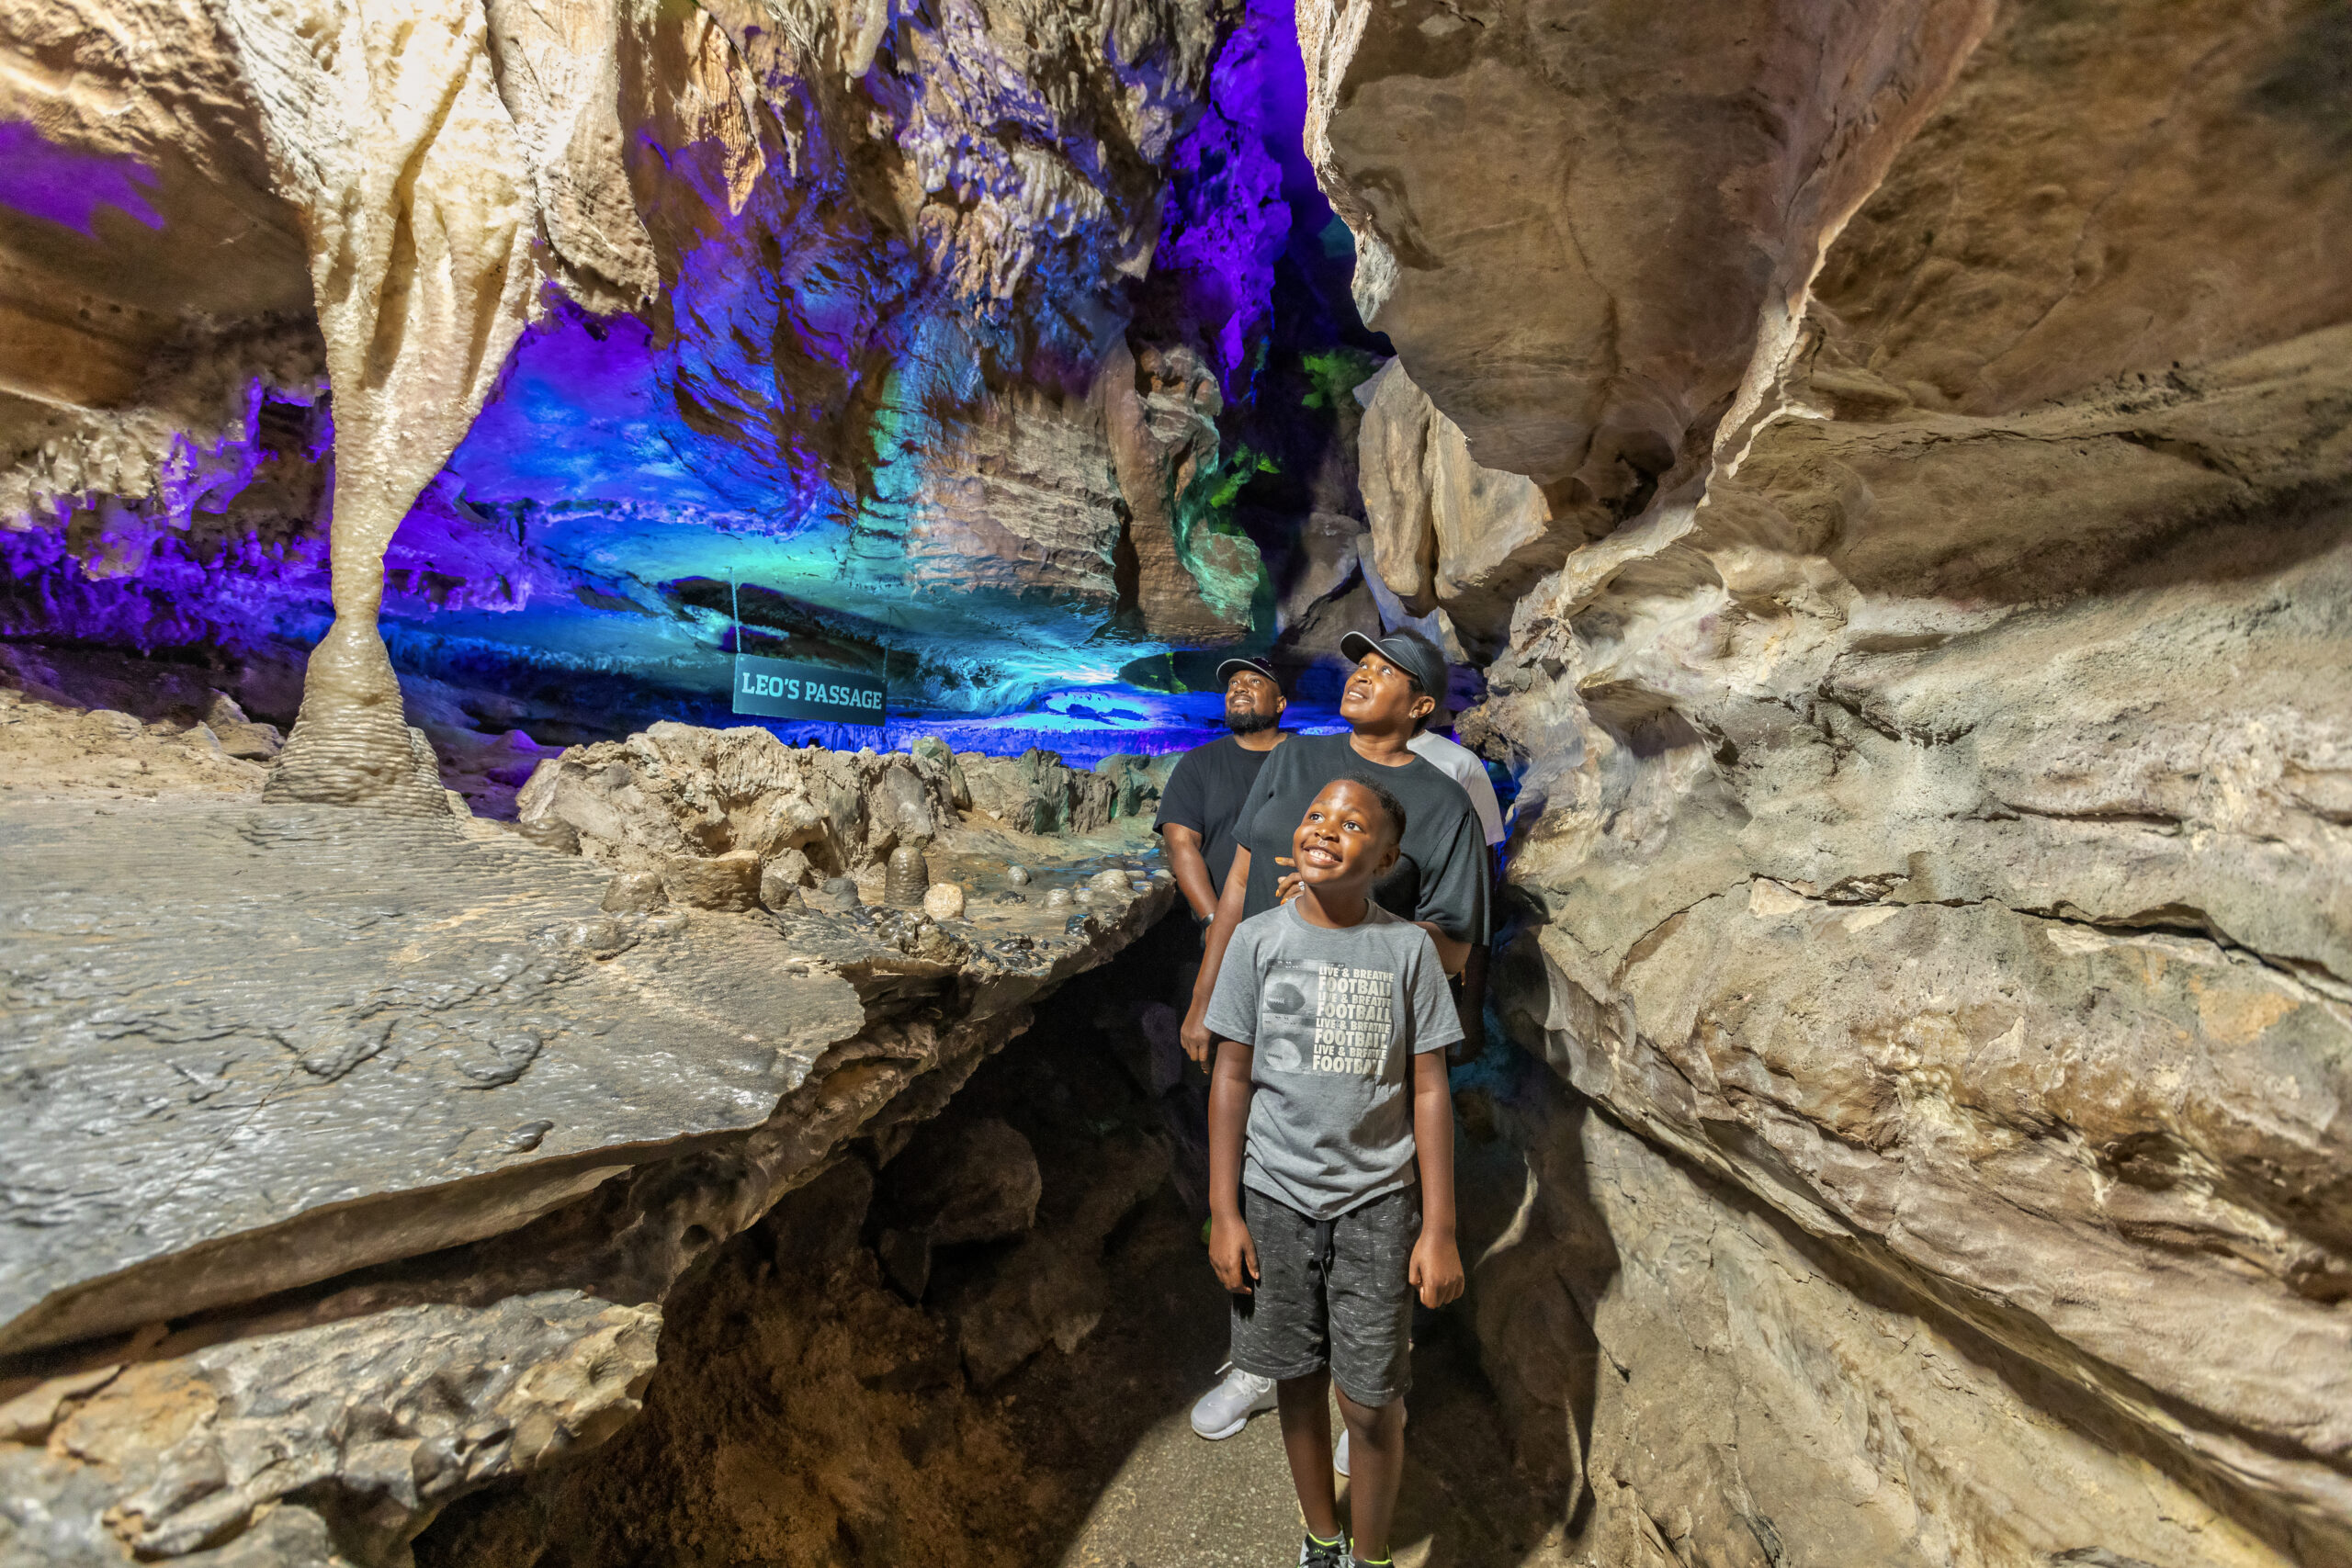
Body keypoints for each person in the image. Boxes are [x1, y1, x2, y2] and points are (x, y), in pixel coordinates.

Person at [1183, 628, 1487, 1445]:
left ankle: (1372, 1381)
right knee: (1257, 1192)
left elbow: (1455, 943)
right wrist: (1204, 992)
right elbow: (1242, 881)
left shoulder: (1445, 801)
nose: (1362, 676)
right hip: (1265, 1018)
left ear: (1422, 705)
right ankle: (1260, 1358)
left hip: (1363, 1045)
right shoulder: (1292, 762)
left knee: (1367, 1217)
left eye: (1387, 671)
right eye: (1361, 663)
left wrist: (1352, 912)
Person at [1204, 777, 1464, 1568]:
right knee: (1293, 1375)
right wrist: (1225, 1209)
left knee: (1373, 1399)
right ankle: (1324, 1538)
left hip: (1376, 1201)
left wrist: (1441, 1227)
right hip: (1274, 1194)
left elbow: (1427, 1086)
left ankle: (1372, 1553)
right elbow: (1230, 1075)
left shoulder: (1407, 949)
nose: (1326, 827)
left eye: (1352, 822)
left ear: (1384, 856)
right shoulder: (1257, 940)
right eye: (1317, 814)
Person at [1157, 655, 1292, 923]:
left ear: (1280, 703)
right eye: (1233, 683)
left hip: (1297, 922)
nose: (1239, 688)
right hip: (1225, 921)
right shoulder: (1197, 763)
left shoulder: (1308, 758)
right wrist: (1214, 921)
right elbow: (1180, 844)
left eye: (1254, 681)